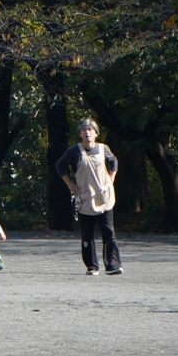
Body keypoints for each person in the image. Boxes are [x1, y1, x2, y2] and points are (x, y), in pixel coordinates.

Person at [55, 118, 122, 276]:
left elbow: (114, 162)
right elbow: (60, 166)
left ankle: (112, 264)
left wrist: (111, 179)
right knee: (87, 234)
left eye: (90, 129)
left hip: (104, 197)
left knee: (108, 232)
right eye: (84, 129)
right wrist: (70, 185)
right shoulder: (74, 151)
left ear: (96, 133)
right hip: (85, 198)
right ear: (80, 134)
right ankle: (92, 266)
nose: (87, 132)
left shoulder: (103, 149)